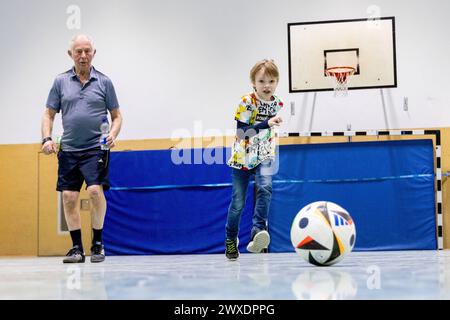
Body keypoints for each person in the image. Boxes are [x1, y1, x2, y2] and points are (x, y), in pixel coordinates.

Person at [41, 34, 122, 263]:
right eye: (79, 51)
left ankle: (97, 243)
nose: (83, 55)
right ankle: (76, 248)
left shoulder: (104, 82)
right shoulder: (60, 82)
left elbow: (117, 116)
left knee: (95, 192)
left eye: (87, 51)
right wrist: (47, 138)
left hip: (96, 148)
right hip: (68, 149)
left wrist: (113, 135)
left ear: (93, 53)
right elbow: (48, 113)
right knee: (68, 196)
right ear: (71, 54)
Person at [225, 59, 283, 260]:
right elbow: (241, 132)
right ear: (253, 83)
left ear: (277, 82)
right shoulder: (246, 102)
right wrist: (267, 123)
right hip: (243, 156)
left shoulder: (277, 103)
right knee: (238, 203)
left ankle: (258, 230)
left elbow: (267, 131)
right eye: (262, 81)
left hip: (264, 155)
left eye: (271, 81)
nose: (267, 85)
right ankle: (231, 239)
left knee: (265, 188)